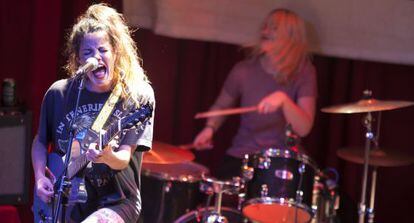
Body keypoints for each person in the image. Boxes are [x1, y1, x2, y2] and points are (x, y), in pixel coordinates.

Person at [32, 4, 155, 223]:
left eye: (103, 50)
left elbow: (124, 158)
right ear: (78, 59)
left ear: (116, 52)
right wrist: (40, 177)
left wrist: (107, 156)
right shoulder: (59, 93)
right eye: (87, 53)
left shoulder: (136, 95)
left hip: (116, 201)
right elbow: (40, 142)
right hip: (66, 201)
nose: (96, 58)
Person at [193, 9, 317, 179]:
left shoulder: (304, 72)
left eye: (273, 28)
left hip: (281, 162)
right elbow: (221, 106)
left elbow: (304, 128)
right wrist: (209, 128)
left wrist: (284, 100)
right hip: (242, 157)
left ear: (291, 36)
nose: (264, 31)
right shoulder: (243, 70)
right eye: (264, 27)